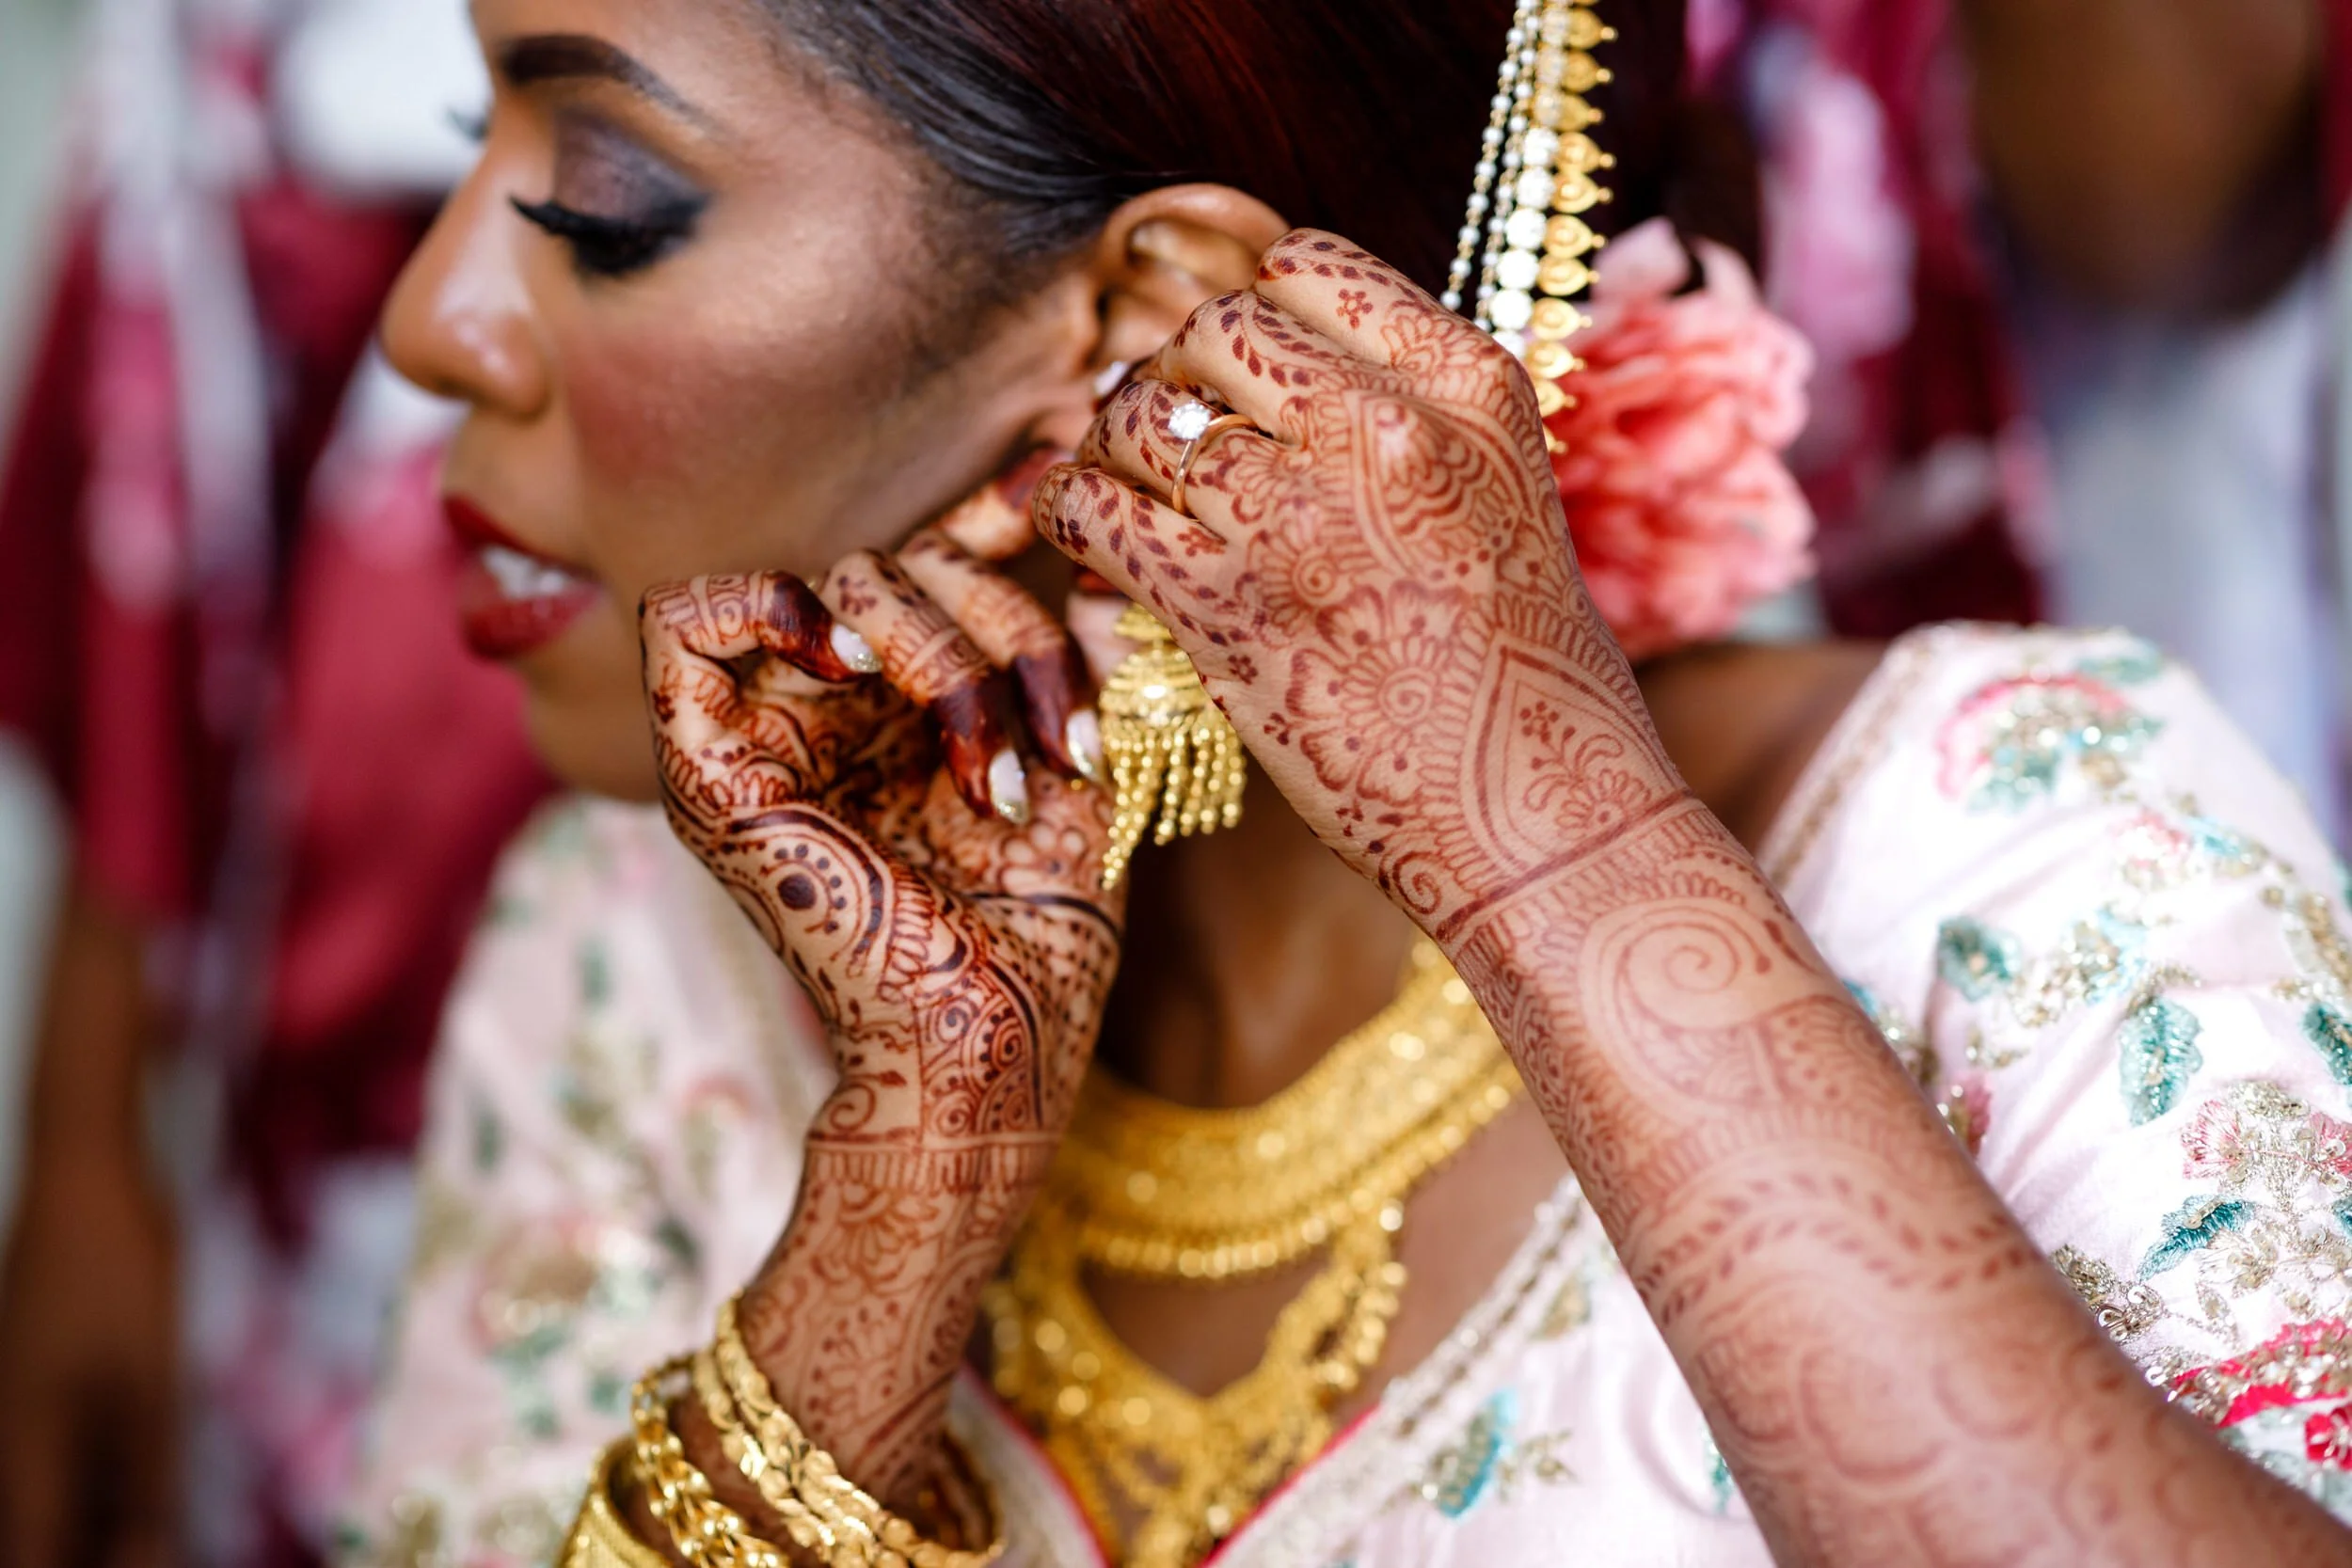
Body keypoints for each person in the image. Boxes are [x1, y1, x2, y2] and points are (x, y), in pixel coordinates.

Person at [342, 0, 2352, 1563]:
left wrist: (1541, 835)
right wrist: (890, 1216)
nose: (427, 319)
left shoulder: (2012, 844)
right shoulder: (626, 966)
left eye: (591, 207)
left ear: (1144, 317)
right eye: (468, 142)